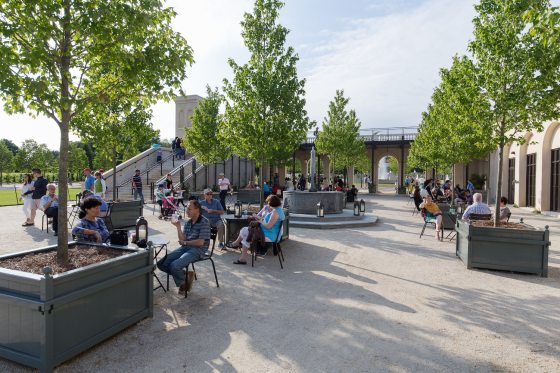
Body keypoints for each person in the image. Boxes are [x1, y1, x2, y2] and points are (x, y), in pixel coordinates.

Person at [157, 200, 211, 295]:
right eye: (186, 209)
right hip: (186, 247)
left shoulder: (204, 222)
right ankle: (185, 276)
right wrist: (178, 227)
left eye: (189, 209)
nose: (187, 211)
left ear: (197, 209)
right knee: (161, 264)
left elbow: (200, 243)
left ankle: (183, 282)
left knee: (174, 265)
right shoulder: (188, 222)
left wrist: (185, 243)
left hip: (198, 250)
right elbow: (183, 240)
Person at [230, 195, 285, 265]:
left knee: (246, 233)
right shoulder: (278, 210)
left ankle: (241, 255)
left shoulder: (275, 212)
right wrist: (259, 218)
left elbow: (268, 226)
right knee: (246, 231)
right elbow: (268, 223)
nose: (268, 204)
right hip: (269, 232)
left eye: (268, 202)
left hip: (270, 235)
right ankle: (241, 254)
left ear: (272, 203)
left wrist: (260, 221)